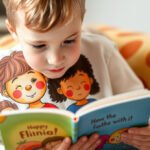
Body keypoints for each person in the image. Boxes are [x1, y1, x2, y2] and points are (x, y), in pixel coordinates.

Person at [1, 0, 149, 149]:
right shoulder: (5, 70)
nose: (55, 60)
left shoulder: (102, 51)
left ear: (81, 22)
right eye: (39, 45)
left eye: (69, 41)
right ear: (13, 31)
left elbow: (139, 104)